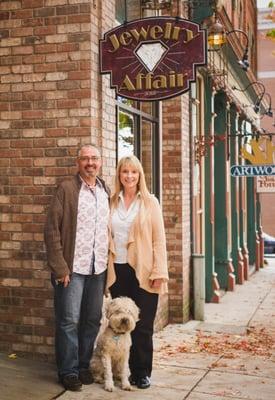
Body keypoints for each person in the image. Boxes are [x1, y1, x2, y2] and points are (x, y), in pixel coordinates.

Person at [44, 144, 110, 391]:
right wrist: (60, 268)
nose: (90, 163)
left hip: (98, 268)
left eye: (94, 158)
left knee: (92, 320)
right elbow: (51, 230)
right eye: (85, 159)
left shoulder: (104, 189)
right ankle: (68, 371)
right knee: (68, 321)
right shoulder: (67, 189)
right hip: (72, 270)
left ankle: (83, 365)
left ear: (100, 162)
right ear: (78, 163)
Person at [106, 155, 169, 389]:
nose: (129, 176)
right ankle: (121, 371)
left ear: (139, 175)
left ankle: (141, 372)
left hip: (144, 271)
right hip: (117, 271)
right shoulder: (111, 201)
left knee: (142, 325)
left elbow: (159, 241)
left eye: (134, 172)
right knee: (119, 324)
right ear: (119, 175)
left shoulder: (150, 202)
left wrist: (159, 272)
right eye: (125, 172)